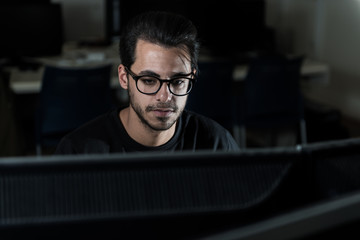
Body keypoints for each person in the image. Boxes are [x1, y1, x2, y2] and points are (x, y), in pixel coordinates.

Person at [55, 11, 239, 154]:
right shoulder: (79, 151)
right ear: (124, 78)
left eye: (178, 81)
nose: (165, 96)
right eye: (149, 81)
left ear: (191, 76)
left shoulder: (216, 144)